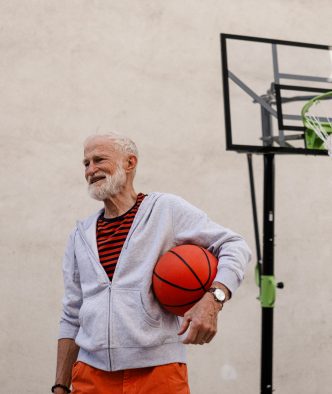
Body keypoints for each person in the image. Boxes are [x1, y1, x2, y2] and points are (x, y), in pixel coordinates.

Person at [52, 132, 252, 394]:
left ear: (129, 163)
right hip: (90, 375)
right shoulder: (80, 235)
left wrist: (214, 298)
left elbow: (235, 245)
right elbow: (72, 313)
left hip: (158, 372)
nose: (91, 169)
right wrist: (60, 385)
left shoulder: (165, 210)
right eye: (86, 163)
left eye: (99, 159)